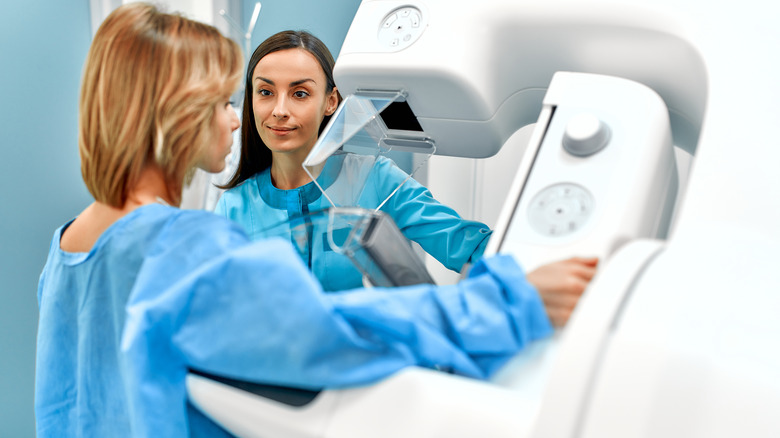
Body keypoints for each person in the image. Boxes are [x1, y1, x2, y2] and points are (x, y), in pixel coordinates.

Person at [35, 4, 597, 437]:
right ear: (178, 113)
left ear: (330, 101)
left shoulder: (66, 250)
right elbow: (328, 333)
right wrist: (510, 301)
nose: (240, 119)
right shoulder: (187, 244)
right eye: (227, 101)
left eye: (298, 94)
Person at [215, 30, 497, 291]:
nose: (279, 110)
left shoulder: (376, 179)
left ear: (331, 101)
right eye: (266, 92)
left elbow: (469, 246)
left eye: (300, 93)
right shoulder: (233, 208)